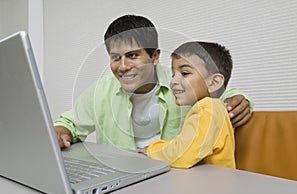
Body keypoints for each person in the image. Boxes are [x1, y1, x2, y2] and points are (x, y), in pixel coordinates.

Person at [54, 14, 253, 150]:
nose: (122, 66)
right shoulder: (100, 92)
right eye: (116, 57)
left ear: (155, 56)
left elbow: (220, 91)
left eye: (132, 55)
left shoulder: (179, 82)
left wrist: (240, 99)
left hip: (174, 177)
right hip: (121, 183)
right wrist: (60, 133)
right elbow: (70, 124)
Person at [140, 41, 236, 168]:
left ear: (213, 83)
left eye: (185, 73)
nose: (173, 81)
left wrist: (151, 150)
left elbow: (183, 153)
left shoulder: (208, 108)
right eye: (173, 75)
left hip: (213, 186)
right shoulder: (206, 109)